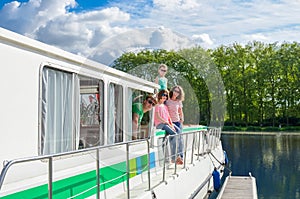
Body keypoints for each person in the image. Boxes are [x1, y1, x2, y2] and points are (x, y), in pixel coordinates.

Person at [154, 90, 182, 164]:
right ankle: (174, 157)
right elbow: (158, 116)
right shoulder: (157, 105)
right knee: (174, 134)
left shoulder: (165, 106)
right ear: (160, 95)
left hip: (166, 124)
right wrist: (167, 123)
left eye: (166, 95)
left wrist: (171, 124)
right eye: (163, 95)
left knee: (178, 131)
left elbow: (168, 117)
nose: (165, 97)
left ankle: (175, 156)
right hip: (160, 124)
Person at [166, 85, 185, 164]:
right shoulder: (167, 100)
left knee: (180, 140)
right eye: (175, 91)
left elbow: (180, 111)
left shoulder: (178, 101)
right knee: (173, 140)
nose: (176, 93)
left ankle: (180, 157)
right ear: (172, 91)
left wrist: (182, 118)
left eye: (178, 92)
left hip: (178, 122)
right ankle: (174, 158)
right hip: (170, 122)